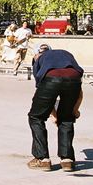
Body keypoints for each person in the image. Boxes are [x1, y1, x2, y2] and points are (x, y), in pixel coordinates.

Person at [27, 44, 83, 172]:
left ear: (36, 54)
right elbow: (79, 93)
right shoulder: (64, 54)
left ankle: (42, 159)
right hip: (74, 79)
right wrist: (74, 111)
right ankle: (67, 160)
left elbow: (44, 97)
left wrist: (52, 114)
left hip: (51, 79)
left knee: (36, 117)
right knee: (67, 118)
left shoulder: (39, 60)